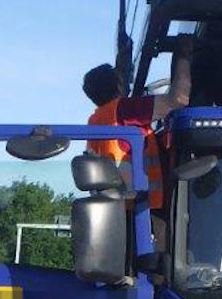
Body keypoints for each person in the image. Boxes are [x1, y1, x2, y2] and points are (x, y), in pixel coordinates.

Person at [82, 36, 192, 212]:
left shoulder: (95, 121)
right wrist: (183, 54)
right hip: (143, 206)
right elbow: (179, 99)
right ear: (118, 86)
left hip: (119, 210)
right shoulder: (125, 110)